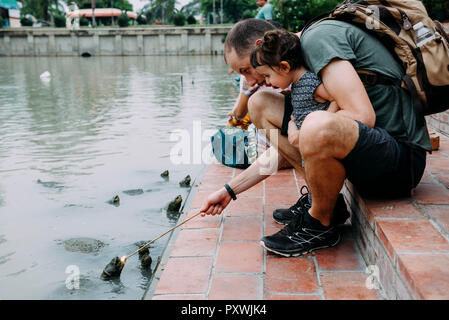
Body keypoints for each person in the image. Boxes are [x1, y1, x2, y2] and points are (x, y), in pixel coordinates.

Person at [200, 18, 430, 257]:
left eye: (247, 70)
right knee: (260, 103)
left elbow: (362, 116)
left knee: (312, 124)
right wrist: (230, 190)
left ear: (261, 46)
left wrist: (304, 128)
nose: (250, 81)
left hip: (400, 164)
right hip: (367, 149)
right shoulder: (302, 57)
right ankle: (321, 198)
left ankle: (320, 222)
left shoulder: (318, 41)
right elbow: (288, 149)